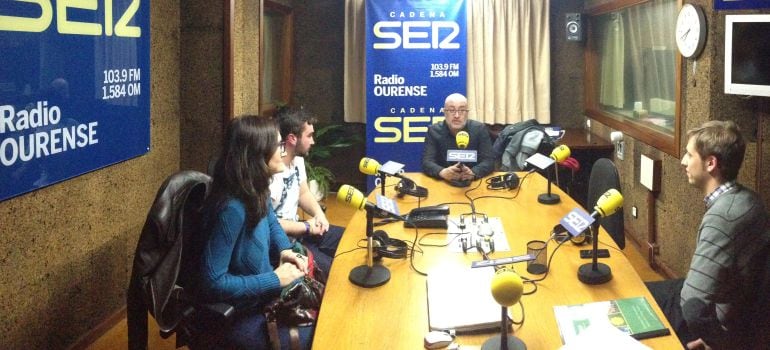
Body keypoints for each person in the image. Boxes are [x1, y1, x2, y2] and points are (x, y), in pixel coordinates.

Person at [645, 120, 770, 350]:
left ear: (710, 163)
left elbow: (693, 306)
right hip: (734, 315)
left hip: (719, 323)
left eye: (689, 155)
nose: (683, 161)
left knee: (632, 304)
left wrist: (715, 343)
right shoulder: (750, 199)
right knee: (640, 289)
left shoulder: (723, 217)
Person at [194, 116, 313, 349]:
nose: (282, 151)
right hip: (240, 313)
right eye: (277, 146)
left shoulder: (256, 189)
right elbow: (212, 282)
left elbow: (271, 223)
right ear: (257, 154)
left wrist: (285, 250)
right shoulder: (232, 208)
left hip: (262, 299)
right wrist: (275, 279)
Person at [270, 109, 343, 276]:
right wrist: (307, 226)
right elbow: (269, 223)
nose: (313, 141)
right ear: (292, 138)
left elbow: (303, 193)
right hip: (283, 243)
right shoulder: (271, 170)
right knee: (336, 273)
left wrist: (319, 215)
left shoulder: (298, 160)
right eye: (309, 136)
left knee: (353, 241)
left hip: (301, 230)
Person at [422, 93, 494, 186]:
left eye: (462, 110)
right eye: (451, 110)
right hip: (443, 184)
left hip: (473, 185)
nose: (456, 115)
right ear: (444, 112)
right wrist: (442, 172)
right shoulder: (434, 131)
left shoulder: (479, 129)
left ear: (467, 113)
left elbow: (489, 161)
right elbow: (427, 162)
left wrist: (473, 172)